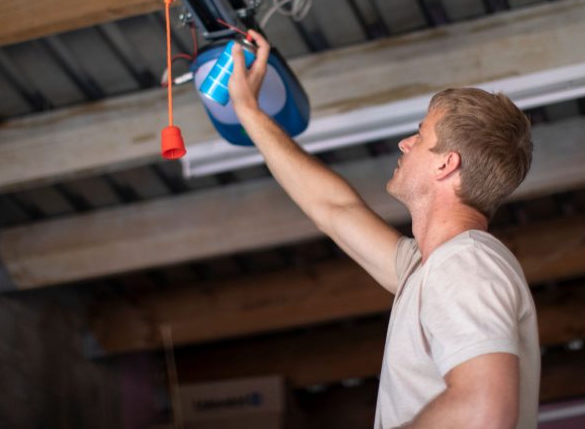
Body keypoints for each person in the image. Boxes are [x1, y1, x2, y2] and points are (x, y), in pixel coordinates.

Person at [227, 30, 540, 429]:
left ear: (446, 165)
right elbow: (334, 209)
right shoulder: (428, 268)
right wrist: (249, 112)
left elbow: (485, 411)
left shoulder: (465, 265)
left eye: (421, 135)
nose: (404, 143)